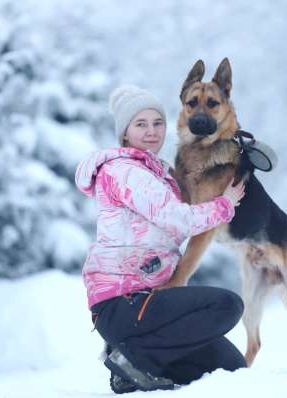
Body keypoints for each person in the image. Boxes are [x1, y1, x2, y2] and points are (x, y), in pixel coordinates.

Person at [74, 85, 247, 393]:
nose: (152, 131)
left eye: (158, 123)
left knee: (230, 366)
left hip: (150, 304)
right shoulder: (124, 171)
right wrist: (224, 205)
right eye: (141, 124)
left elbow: (181, 219)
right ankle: (134, 361)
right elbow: (177, 217)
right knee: (226, 305)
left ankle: (136, 368)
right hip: (124, 303)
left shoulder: (159, 175)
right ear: (125, 133)